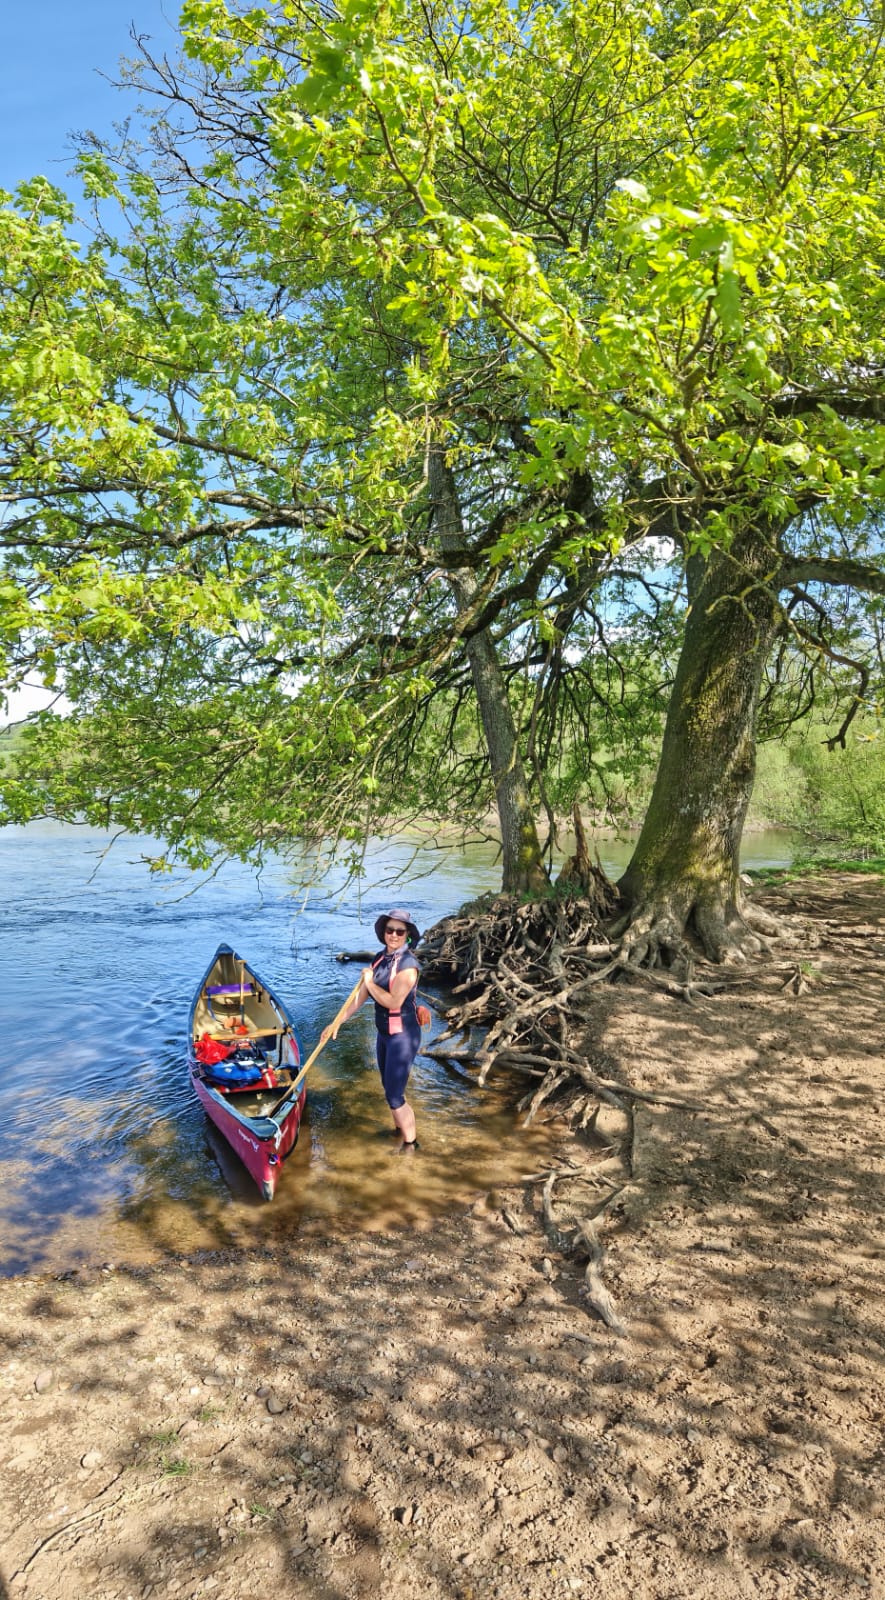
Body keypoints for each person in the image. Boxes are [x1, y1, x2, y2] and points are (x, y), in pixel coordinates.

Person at [320, 908, 422, 1149]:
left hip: (403, 1036)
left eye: (400, 931)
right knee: (390, 1089)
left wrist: (368, 980)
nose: (394, 935)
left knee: (394, 1096)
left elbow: (393, 1001)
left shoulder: (409, 965)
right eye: (390, 930)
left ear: (407, 935)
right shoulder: (379, 959)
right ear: (383, 932)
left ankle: (411, 1145)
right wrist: (337, 1022)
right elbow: (360, 997)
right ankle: (400, 1129)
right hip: (384, 1034)